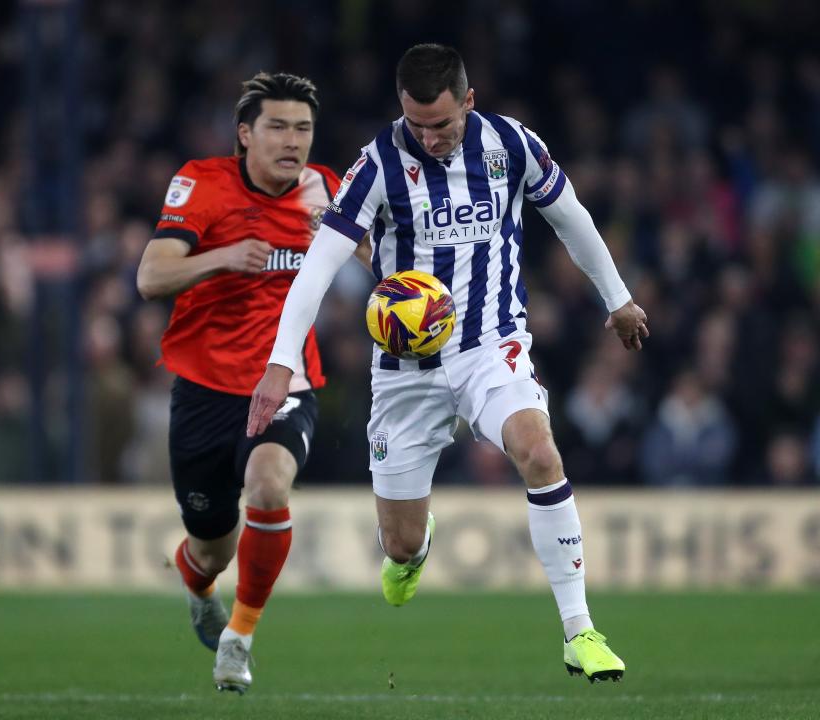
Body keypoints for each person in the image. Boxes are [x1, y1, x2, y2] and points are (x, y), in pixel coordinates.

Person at [249, 44, 649, 683]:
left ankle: (580, 631)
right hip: (404, 368)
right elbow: (319, 265)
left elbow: (571, 219)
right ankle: (412, 550)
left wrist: (619, 299)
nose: (429, 139)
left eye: (442, 124)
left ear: (469, 101)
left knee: (539, 453)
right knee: (401, 542)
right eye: (417, 125)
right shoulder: (379, 161)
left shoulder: (511, 145)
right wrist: (280, 362)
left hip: (490, 345)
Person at [137, 72, 353, 693]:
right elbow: (151, 278)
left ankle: (240, 637)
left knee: (267, 486)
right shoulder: (202, 184)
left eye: (303, 129)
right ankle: (197, 580)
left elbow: (383, 258)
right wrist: (222, 257)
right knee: (211, 549)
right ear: (245, 134)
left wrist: (357, 253)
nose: (293, 142)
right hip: (205, 390)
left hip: (285, 383)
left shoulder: (327, 190)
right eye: (278, 127)